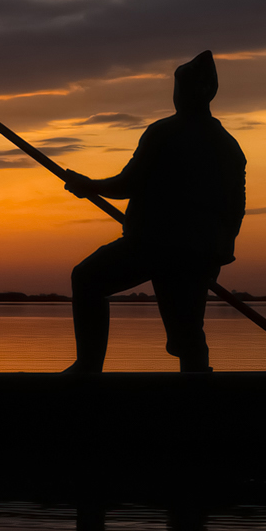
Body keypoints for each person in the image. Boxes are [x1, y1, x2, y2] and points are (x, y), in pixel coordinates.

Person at [60, 51, 246, 374]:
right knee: (187, 333)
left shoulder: (165, 133)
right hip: (200, 252)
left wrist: (90, 186)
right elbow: (235, 211)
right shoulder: (229, 146)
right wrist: (217, 252)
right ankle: (199, 384)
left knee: (87, 279)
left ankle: (88, 368)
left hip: (154, 246)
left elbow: (129, 184)